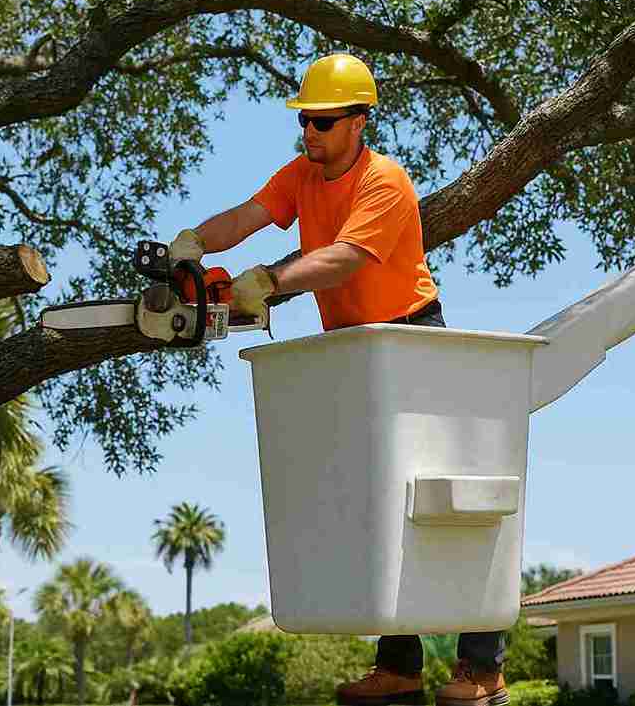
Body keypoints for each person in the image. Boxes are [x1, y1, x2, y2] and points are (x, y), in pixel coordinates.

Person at [165, 53, 507, 706]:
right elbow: (247, 215)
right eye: (306, 121)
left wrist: (266, 282)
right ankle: (400, 665)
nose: (310, 133)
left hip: (412, 337)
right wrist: (192, 243)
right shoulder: (303, 173)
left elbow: (344, 259)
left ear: (358, 120)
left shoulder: (385, 182)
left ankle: (482, 668)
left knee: (453, 498)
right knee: (376, 501)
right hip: (353, 348)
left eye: (322, 121)